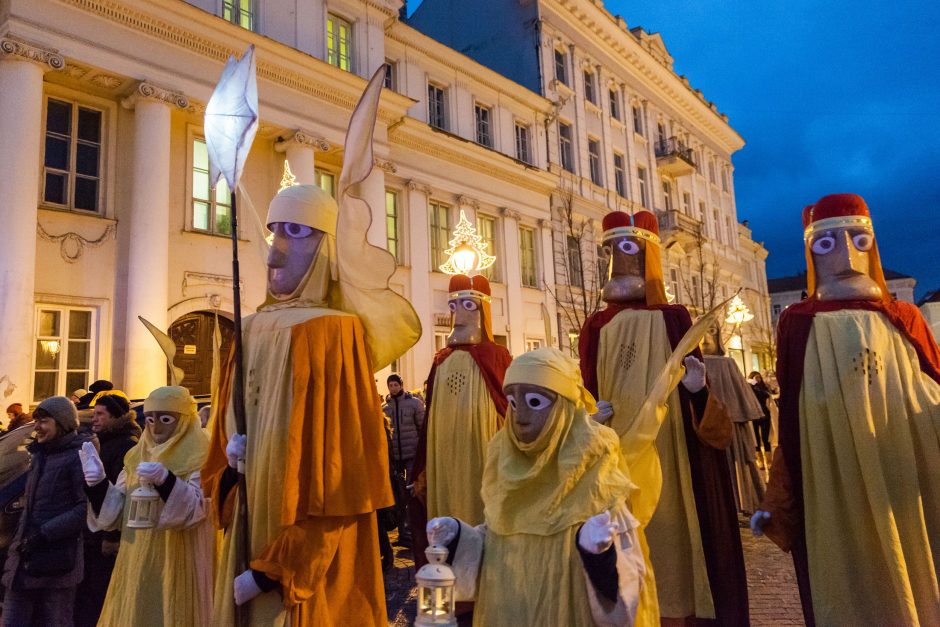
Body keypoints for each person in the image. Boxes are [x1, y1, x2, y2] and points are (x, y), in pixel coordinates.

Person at [202, 184, 420, 621]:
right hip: (249, 529)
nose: (275, 253)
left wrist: (274, 571)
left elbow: (345, 477)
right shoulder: (246, 330)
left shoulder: (334, 333)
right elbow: (217, 452)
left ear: (326, 249)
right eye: (273, 232)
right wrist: (228, 470)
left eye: (296, 231)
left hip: (302, 564)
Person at [752, 193, 940, 626]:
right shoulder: (798, 323)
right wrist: (778, 497)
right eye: (827, 243)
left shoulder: (903, 316)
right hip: (833, 484)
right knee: (848, 579)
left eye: (858, 239)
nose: (846, 255)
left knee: (912, 567)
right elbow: (795, 424)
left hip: (901, 473)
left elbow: (930, 388)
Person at [579, 210, 747, 626]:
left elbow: (695, 384)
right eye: (611, 250)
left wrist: (696, 389)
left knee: (672, 523)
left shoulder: (674, 318)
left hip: (670, 447)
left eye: (628, 248)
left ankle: (677, 611)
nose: (618, 260)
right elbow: (583, 385)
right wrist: (589, 412)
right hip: (615, 449)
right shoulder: (596, 324)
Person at [427, 348, 646, 625]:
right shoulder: (505, 462)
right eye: (513, 403)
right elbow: (499, 547)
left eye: (535, 401)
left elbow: (628, 590)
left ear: (564, 407)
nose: (520, 417)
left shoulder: (594, 470)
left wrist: (599, 557)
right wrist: (462, 538)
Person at [80, 385, 212, 625]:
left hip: (181, 557)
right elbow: (118, 511)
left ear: (184, 420)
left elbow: (198, 510)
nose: (156, 427)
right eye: (150, 419)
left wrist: (166, 481)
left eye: (165, 419)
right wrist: (98, 485)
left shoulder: (202, 454)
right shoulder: (136, 456)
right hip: (138, 558)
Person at [410, 274, 513, 569]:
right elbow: (430, 416)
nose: (459, 314)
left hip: (482, 456)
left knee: (479, 514)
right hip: (444, 459)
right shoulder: (441, 359)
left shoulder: (495, 356)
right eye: (454, 305)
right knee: (449, 516)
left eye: (468, 304)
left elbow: (508, 408)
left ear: (483, 309)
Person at [1, 396, 87, 627]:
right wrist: (19, 543)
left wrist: (44, 534)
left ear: (63, 422)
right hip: (25, 555)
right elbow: (30, 506)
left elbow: (84, 509)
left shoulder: (79, 457)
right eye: (36, 420)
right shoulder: (40, 455)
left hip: (58, 559)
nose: (37, 426)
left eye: (44, 420)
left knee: (56, 620)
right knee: (11, 619)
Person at [73, 390, 141, 627]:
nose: (95, 419)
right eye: (94, 414)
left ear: (116, 417)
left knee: (99, 592)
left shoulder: (126, 446)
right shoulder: (104, 442)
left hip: (105, 534)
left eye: (101, 414)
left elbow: (121, 495)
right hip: (92, 528)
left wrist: (111, 535)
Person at [701, 328, 766, 514]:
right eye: (702, 330)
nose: (705, 337)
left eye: (711, 330)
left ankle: (741, 502)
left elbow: (739, 399)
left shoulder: (727, 363)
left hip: (731, 425)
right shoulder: (692, 363)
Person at [382, 373, 424, 545]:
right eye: (390, 385)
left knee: (411, 491)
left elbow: (421, 427)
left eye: (395, 385)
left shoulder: (414, 404)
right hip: (395, 457)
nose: (393, 388)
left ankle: (413, 530)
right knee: (398, 495)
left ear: (401, 385)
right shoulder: (385, 408)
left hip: (411, 453)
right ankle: (402, 531)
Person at [746, 372, 774, 469]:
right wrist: (751, 385)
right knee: (756, 439)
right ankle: (760, 460)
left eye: (759, 377)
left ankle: (769, 460)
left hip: (764, 415)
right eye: (755, 378)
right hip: (753, 416)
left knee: (766, 438)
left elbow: (766, 395)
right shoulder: (748, 387)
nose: (757, 379)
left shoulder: (763, 387)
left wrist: (758, 386)